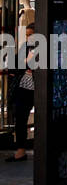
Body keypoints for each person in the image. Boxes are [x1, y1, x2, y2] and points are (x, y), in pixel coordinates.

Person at [6, 25, 36, 162]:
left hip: (38, 89)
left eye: (31, 35)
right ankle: (21, 150)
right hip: (24, 88)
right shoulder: (26, 48)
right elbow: (15, 65)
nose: (28, 38)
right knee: (20, 118)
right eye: (27, 35)